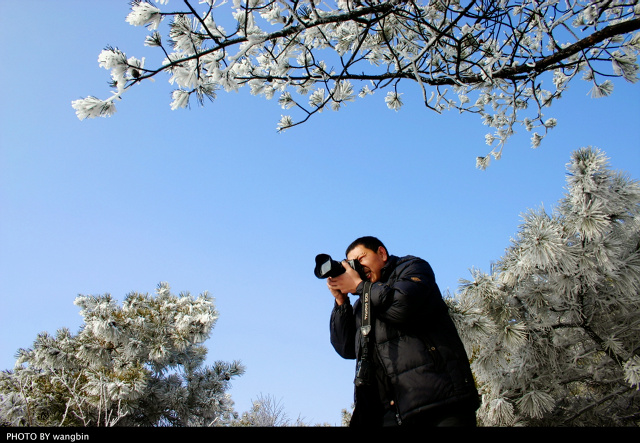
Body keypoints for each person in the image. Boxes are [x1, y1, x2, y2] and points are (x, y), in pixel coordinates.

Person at [327, 236, 479, 427]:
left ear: (382, 253)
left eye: (361, 259)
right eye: (352, 264)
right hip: (388, 413)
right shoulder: (362, 302)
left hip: (439, 402)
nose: (358, 267)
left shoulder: (411, 268)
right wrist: (342, 302)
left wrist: (360, 287)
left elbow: (403, 306)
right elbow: (346, 347)